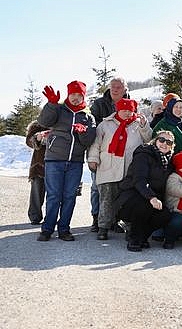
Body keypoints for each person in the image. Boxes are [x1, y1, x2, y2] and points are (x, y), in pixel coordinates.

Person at [37, 81, 97, 242]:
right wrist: (51, 104)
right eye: (73, 94)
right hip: (54, 160)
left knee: (70, 196)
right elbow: (44, 122)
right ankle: (47, 229)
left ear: (84, 96)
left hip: (75, 163)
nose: (76, 98)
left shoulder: (88, 117)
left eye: (79, 95)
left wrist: (83, 132)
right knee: (54, 195)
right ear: (68, 94)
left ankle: (64, 229)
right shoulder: (59, 109)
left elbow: (88, 141)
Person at [87, 98, 151, 240]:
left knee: (127, 200)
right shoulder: (105, 124)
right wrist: (93, 159)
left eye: (130, 110)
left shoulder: (137, 124)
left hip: (130, 169)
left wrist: (144, 126)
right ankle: (103, 227)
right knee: (106, 199)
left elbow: (149, 139)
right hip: (108, 167)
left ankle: (128, 227)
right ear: (118, 110)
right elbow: (95, 144)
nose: (127, 113)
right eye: (124, 110)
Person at [116, 131, 175, 252]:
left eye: (169, 142)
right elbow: (139, 180)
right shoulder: (143, 154)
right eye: (162, 140)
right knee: (144, 204)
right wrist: (152, 197)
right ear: (155, 141)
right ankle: (134, 239)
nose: (165, 144)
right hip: (129, 198)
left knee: (165, 215)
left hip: (150, 199)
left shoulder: (168, 162)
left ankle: (142, 236)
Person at [88, 77, 130, 232]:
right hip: (104, 151)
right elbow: (94, 127)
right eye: (113, 86)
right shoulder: (99, 104)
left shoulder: (130, 103)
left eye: (119, 87)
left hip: (121, 154)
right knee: (96, 187)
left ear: (124, 89)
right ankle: (96, 217)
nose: (115, 89)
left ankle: (114, 220)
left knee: (118, 188)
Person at [25, 120, 49, 225]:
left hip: (59, 164)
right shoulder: (38, 125)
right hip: (39, 165)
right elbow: (29, 141)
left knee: (55, 195)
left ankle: (51, 218)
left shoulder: (62, 122)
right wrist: (37, 138)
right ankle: (35, 216)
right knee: (36, 192)